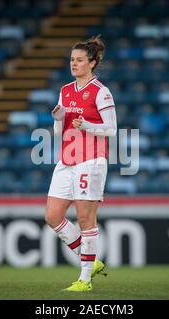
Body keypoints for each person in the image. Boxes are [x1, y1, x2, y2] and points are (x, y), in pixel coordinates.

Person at [45, 35, 117, 292]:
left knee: (86, 219)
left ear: (92, 62)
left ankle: (85, 280)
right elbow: (57, 133)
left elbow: (111, 130)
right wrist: (57, 119)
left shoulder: (101, 92)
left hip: (92, 160)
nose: (74, 64)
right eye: (72, 60)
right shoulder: (65, 90)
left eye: (79, 60)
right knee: (53, 216)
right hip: (67, 159)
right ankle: (93, 261)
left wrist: (86, 125)